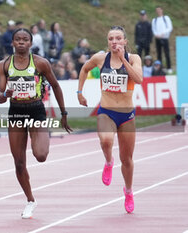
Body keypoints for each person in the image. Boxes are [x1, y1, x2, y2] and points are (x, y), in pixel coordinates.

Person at [0, 28, 72, 219]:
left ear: (30, 43)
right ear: (12, 43)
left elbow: (55, 86)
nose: (21, 42)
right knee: (19, 163)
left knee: (40, 155)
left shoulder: (40, 63)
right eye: (17, 39)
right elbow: (0, 97)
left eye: (25, 39)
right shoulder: (4, 65)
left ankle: (39, 136)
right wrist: (6, 94)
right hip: (16, 112)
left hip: (36, 110)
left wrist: (63, 113)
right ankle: (30, 200)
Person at [77, 26, 143, 213]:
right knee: (106, 140)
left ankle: (128, 191)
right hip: (106, 110)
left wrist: (123, 59)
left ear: (124, 41)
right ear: (108, 42)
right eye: (111, 39)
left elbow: (138, 79)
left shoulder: (134, 59)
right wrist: (79, 92)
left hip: (126, 115)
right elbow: (84, 69)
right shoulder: (100, 58)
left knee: (127, 159)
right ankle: (108, 162)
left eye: (118, 38)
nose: (114, 41)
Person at [152, 6, 173, 73]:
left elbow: (170, 28)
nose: (158, 11)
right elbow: (153, 29)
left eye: (159, 10)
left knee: (166, 53)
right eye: (157, 10)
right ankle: (160, 68)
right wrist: (156, 34)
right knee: (159, 54)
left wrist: (163, 34)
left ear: (162, 10)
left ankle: (169, 68)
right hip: (157, 38)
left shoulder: (166, 18)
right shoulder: (154, 20)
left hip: (164, 38)